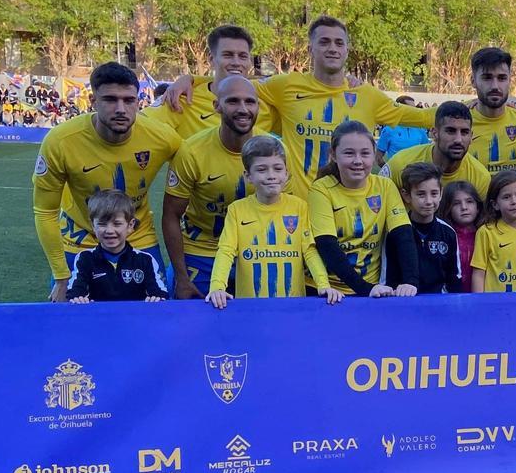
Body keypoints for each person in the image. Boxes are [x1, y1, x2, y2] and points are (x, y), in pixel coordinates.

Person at [163, 16, 432, 195]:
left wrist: (463, 110)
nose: (332, 48)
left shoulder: (367, 95)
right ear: (310, 48)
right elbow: (232, 84)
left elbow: (413, 116)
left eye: (339, 43)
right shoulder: (285, 85)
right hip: (295, 206)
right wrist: (192, 79)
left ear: (348, 50)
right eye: (324, 41)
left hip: (344, 205)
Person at [34, 62, 182, 302]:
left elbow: (193, 163)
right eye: (110, 100)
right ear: (93, 102)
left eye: (129, 100)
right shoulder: (61, 141)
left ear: (138, 101)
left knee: (154, 316)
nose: (121, 109)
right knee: (72, 322)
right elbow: (44, 211)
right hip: (80, 238)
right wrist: (61, 276)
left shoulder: (161, 137)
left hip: (138, 236)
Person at [207, 136, 343, 308]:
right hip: (250, 307)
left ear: (286, 173)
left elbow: (309, 250)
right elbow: (225, 251)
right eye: (262, 170)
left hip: (292, 307)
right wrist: (217, 287)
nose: (271, 176)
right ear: (248, 176)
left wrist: (323, 285)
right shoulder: (237, 210)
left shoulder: (299, 207)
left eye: (278, 168)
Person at [162, 75, 264, 299]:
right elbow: (170, 215)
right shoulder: (192, 151)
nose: (243, 109)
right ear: (216, 106)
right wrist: (181, 277)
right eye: (233, 101)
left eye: (250, 102)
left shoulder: (272, 149)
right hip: (202, 253)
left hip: (255, 252)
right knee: (192, 327)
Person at [308, 120, 419, 298]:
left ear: (374, 155)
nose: (358, 161)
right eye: (349, 153)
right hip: (328, 291)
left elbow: (403, 236)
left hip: (371, 289)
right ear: (333, 155)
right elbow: (327, 246)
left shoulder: (385, 186)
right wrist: (365, 289)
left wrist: (411, 281)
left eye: (365, 153)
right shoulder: (321, 189)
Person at [143, 25, 271, 138]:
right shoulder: (182, 99)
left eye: (243, 56)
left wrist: (192, 78)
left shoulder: (267, 103)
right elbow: (139, 125)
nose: (236, 63)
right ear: (211, 59)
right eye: (228, 55)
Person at [66, 190, 169, 303]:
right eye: (102, 224)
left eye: (117, 224)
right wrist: (77, 298)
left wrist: (157, 298)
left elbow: (160, 293)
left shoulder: (145, 260)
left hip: (135, 319)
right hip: (98, 319)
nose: (109, 231)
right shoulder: (85, 258)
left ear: (130, 225)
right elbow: (75, 291)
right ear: (93, 226)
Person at [384, 101, 490, 200]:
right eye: (450, 131)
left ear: (471, 136)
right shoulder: (401, 164)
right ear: (435, 133)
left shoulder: (480, 177)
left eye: (464, 132)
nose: (458, 140)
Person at [471, 169, 516, 293]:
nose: (514, 201)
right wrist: (480, 304)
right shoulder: (487, 232)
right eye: (506, 197)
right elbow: (478, 274)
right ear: (495, 204)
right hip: (495, 305)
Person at [395, 163, 461, 294]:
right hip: (405, 301)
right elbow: (388, 276)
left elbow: (454, 277)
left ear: (441, 193)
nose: (429, 201)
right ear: (406, 195)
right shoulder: (396, 231)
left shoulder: (448, 232)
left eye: (434, 193)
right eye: (421, 194)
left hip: (439, 304)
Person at [438, 181, 482, 294]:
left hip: (482, 297)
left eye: (469, 201)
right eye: (456, 203)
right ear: (447, 208)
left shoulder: (485, 234)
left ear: (478, 207)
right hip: (451, 296)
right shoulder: (445, 235)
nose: (464, 207)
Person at [375, 95, 431, 167]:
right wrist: (391, 171)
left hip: (416, 176)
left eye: (415, 109)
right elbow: (378, 158)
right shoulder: (389, 130)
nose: (415, 112)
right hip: (395, 177)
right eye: (411, 109)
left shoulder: (420, 130)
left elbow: (428, 154)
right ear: (400, 110)